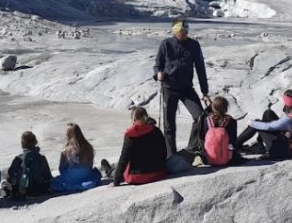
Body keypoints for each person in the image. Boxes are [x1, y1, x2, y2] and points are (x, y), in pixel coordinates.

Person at [154, 18, 211, 156]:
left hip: (186, 89)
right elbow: (157, 66)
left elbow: (200, 68)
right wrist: (158, 74)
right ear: (175, 31)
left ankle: (191, 149)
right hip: (169, 87)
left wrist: (204, 91)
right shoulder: (166, 44)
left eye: (186, 31)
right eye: (181, 31)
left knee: (200, 117)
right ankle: (171, 155)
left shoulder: (194, 45)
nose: (184, 34)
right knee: (169, 125)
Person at [236, 90, 292, 159]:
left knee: (257, 123)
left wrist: (252, 123)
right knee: (268, 113)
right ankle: (259, 145)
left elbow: (269, 127)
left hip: (285, 151)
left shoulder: (288, 119)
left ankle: (235, 145)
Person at [103, 107, 168, 186]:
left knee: (124, 166)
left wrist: (116, 182)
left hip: (137, 177)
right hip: (158, 173)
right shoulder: (156, 130)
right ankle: (112, 169)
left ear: (134, 120)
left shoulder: (131, 135)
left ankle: (110, 172)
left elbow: (124, 159)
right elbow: (164, 152)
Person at [50, 123, 102, 193]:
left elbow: (61, 168)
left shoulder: (66, 150)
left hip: (71, 178)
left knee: (54, 183)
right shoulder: (88, 147)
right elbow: (90, 164)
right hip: (87, 175)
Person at [7, 131, 53, 198]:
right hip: (38, 189)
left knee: (5, 184)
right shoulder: (41, 158)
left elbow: (10, 175)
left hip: (21, 189)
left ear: (22, 144)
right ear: (35, 142)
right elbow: (48, 177)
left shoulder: (18, 159)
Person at [202, 96, 246, 165]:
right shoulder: (230, 120)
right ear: (226, 107)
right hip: (227, 158)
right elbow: (233, 140)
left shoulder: (207, 120)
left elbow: (204, 137)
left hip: (209, 158)